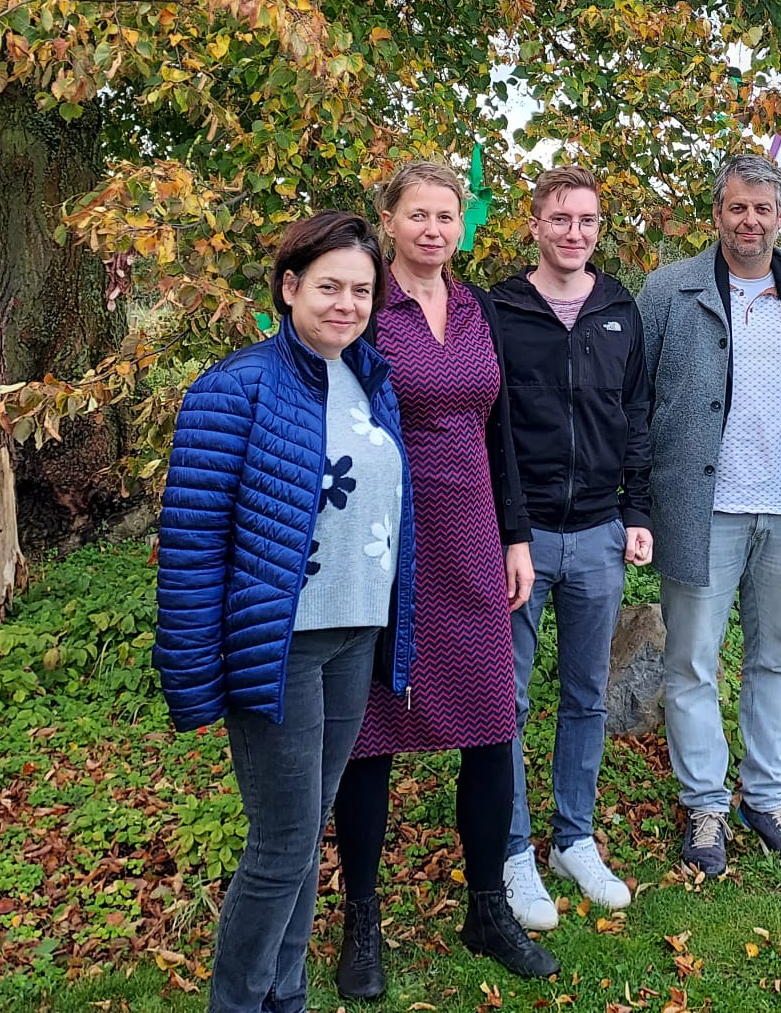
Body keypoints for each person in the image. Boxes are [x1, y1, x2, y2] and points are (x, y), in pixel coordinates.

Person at [153, 211, 411, 1013]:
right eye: (329, 286)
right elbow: (193, 542)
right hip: (280, 646)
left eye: (361, 290)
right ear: (289, 287)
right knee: (280, 844)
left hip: (352, 632)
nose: (346, 303)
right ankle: (239, 1001)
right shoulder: (236, 387)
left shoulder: (370, 378)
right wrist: (194, 672)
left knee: (307, 833)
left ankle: (285, 995)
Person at [330, 159, 557, 998]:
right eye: (418, 215)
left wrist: (516, 535)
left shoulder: (478, 308)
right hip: (385, 543)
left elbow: (501, 435)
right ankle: (362, 921)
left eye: (447, 217)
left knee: (493, 726)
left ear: (463, 226)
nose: (433, 230)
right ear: (387, 220)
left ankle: (487, 908)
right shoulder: (364, 309)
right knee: (372, 736)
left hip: (471, 539)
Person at [636, 152, 781, 877]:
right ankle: (704, 804)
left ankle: (766, 794)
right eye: (736, 207)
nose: (749, 221)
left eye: (763, 209)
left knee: (776, 659)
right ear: (717, 213)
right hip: (703, 509)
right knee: (692, 660)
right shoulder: (670, 290)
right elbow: (638, 394)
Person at [488, 165, 654, 930]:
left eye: (587, 220)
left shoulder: (621, 307)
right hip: (519, 543)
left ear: (598, 227)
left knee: (586, 694)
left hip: (597, 533)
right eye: (560, 219)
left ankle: (573, 838)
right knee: (511, 700)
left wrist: (638, 512)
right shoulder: (501, 309)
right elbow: (495, 432)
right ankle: (513, 850)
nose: (574, 233)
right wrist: (511, 530)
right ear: (535, 225)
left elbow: (637, 415)